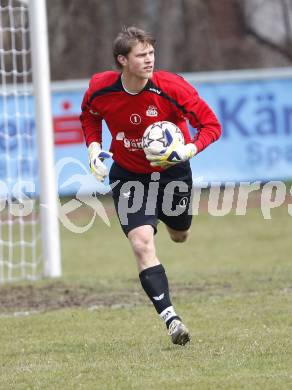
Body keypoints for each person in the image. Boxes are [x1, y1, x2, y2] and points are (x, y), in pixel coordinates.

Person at [80, 26, 221, 346]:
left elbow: (212, 125)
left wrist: (189, 149)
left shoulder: (172, 87)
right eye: (141, 55)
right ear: (122, 60)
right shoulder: (100, 88)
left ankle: (175, 224)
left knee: (179, 234)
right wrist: (92, 148)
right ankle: (171, 319)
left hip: (172, 173)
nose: (149, 60)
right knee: (142, 243)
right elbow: (89, 116)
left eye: (151, 54)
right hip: (129, 175)